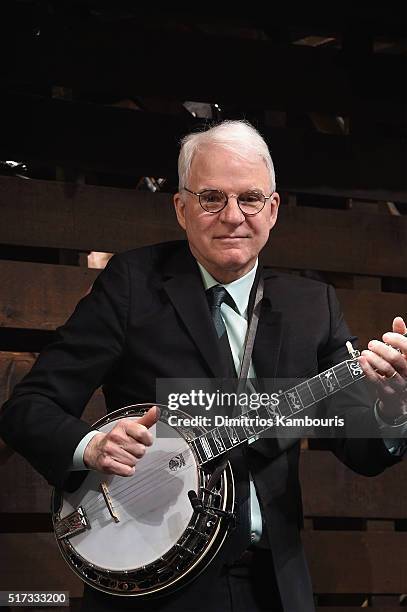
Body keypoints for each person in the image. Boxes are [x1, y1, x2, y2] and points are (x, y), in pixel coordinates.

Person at [0, 120, 406, 612]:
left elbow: (361, 451)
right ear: (181, 208)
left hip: (273, 584)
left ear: (272, 209)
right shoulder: (131, 285)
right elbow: (28, 407)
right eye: (212, 198)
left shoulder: (312, 305)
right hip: (154, 584)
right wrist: (92, 446)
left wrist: (390, 406)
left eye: (250, 198)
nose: (233, 216)